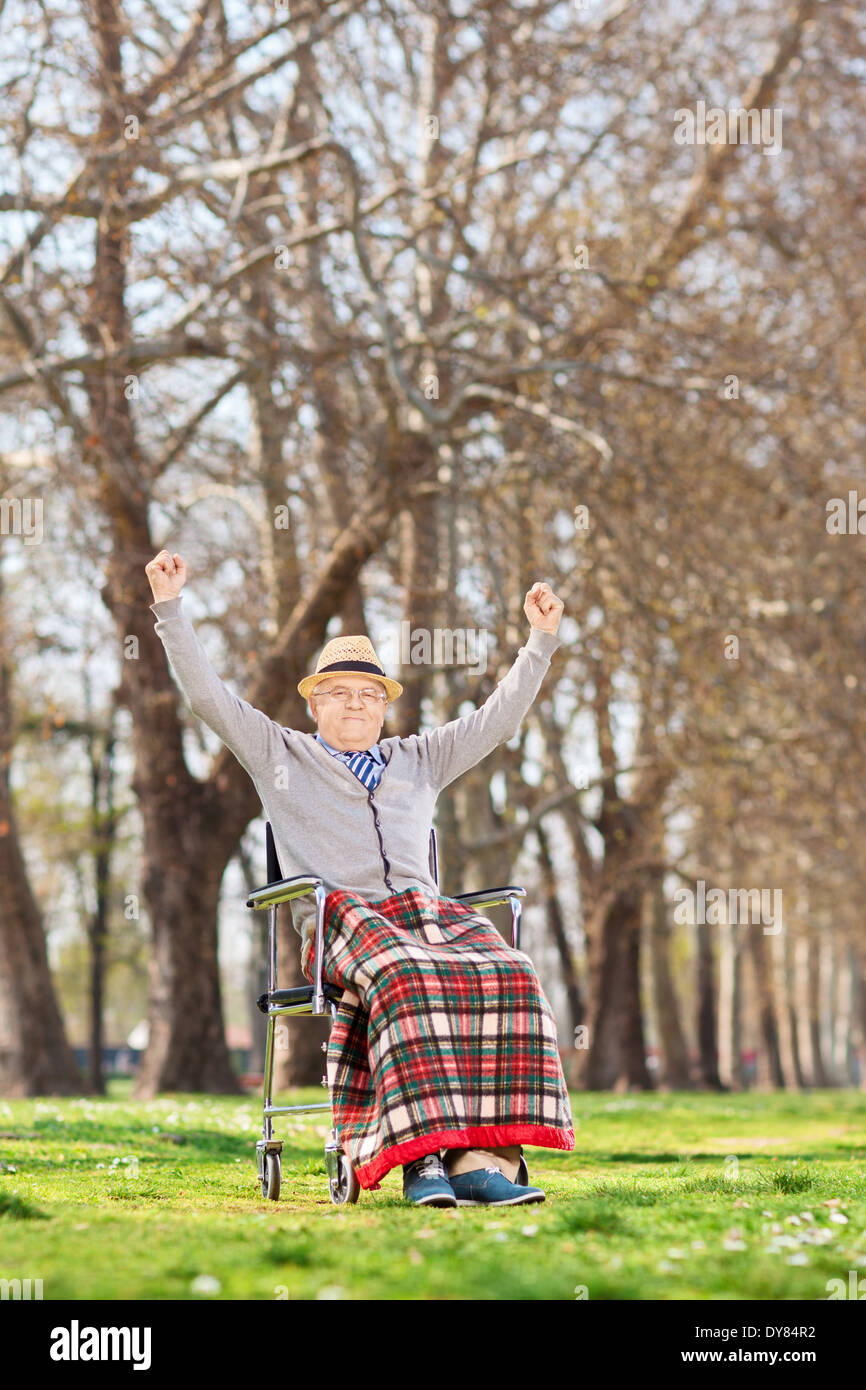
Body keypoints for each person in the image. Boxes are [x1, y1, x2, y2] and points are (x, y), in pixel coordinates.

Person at [145, 549, 575, 1207]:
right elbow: (207, 696)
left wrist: (539, 643)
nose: (356, 704)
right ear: (315, 704)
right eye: (340, 694)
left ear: (384, 708)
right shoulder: (278, 752)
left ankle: (483, 1158)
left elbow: (500, 720)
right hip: (341, 918)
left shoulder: (419, 758)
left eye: (369, 695)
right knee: (406, 974)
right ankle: (420, 1159)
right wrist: (170, 609)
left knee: (510, 968)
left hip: (425, 913)